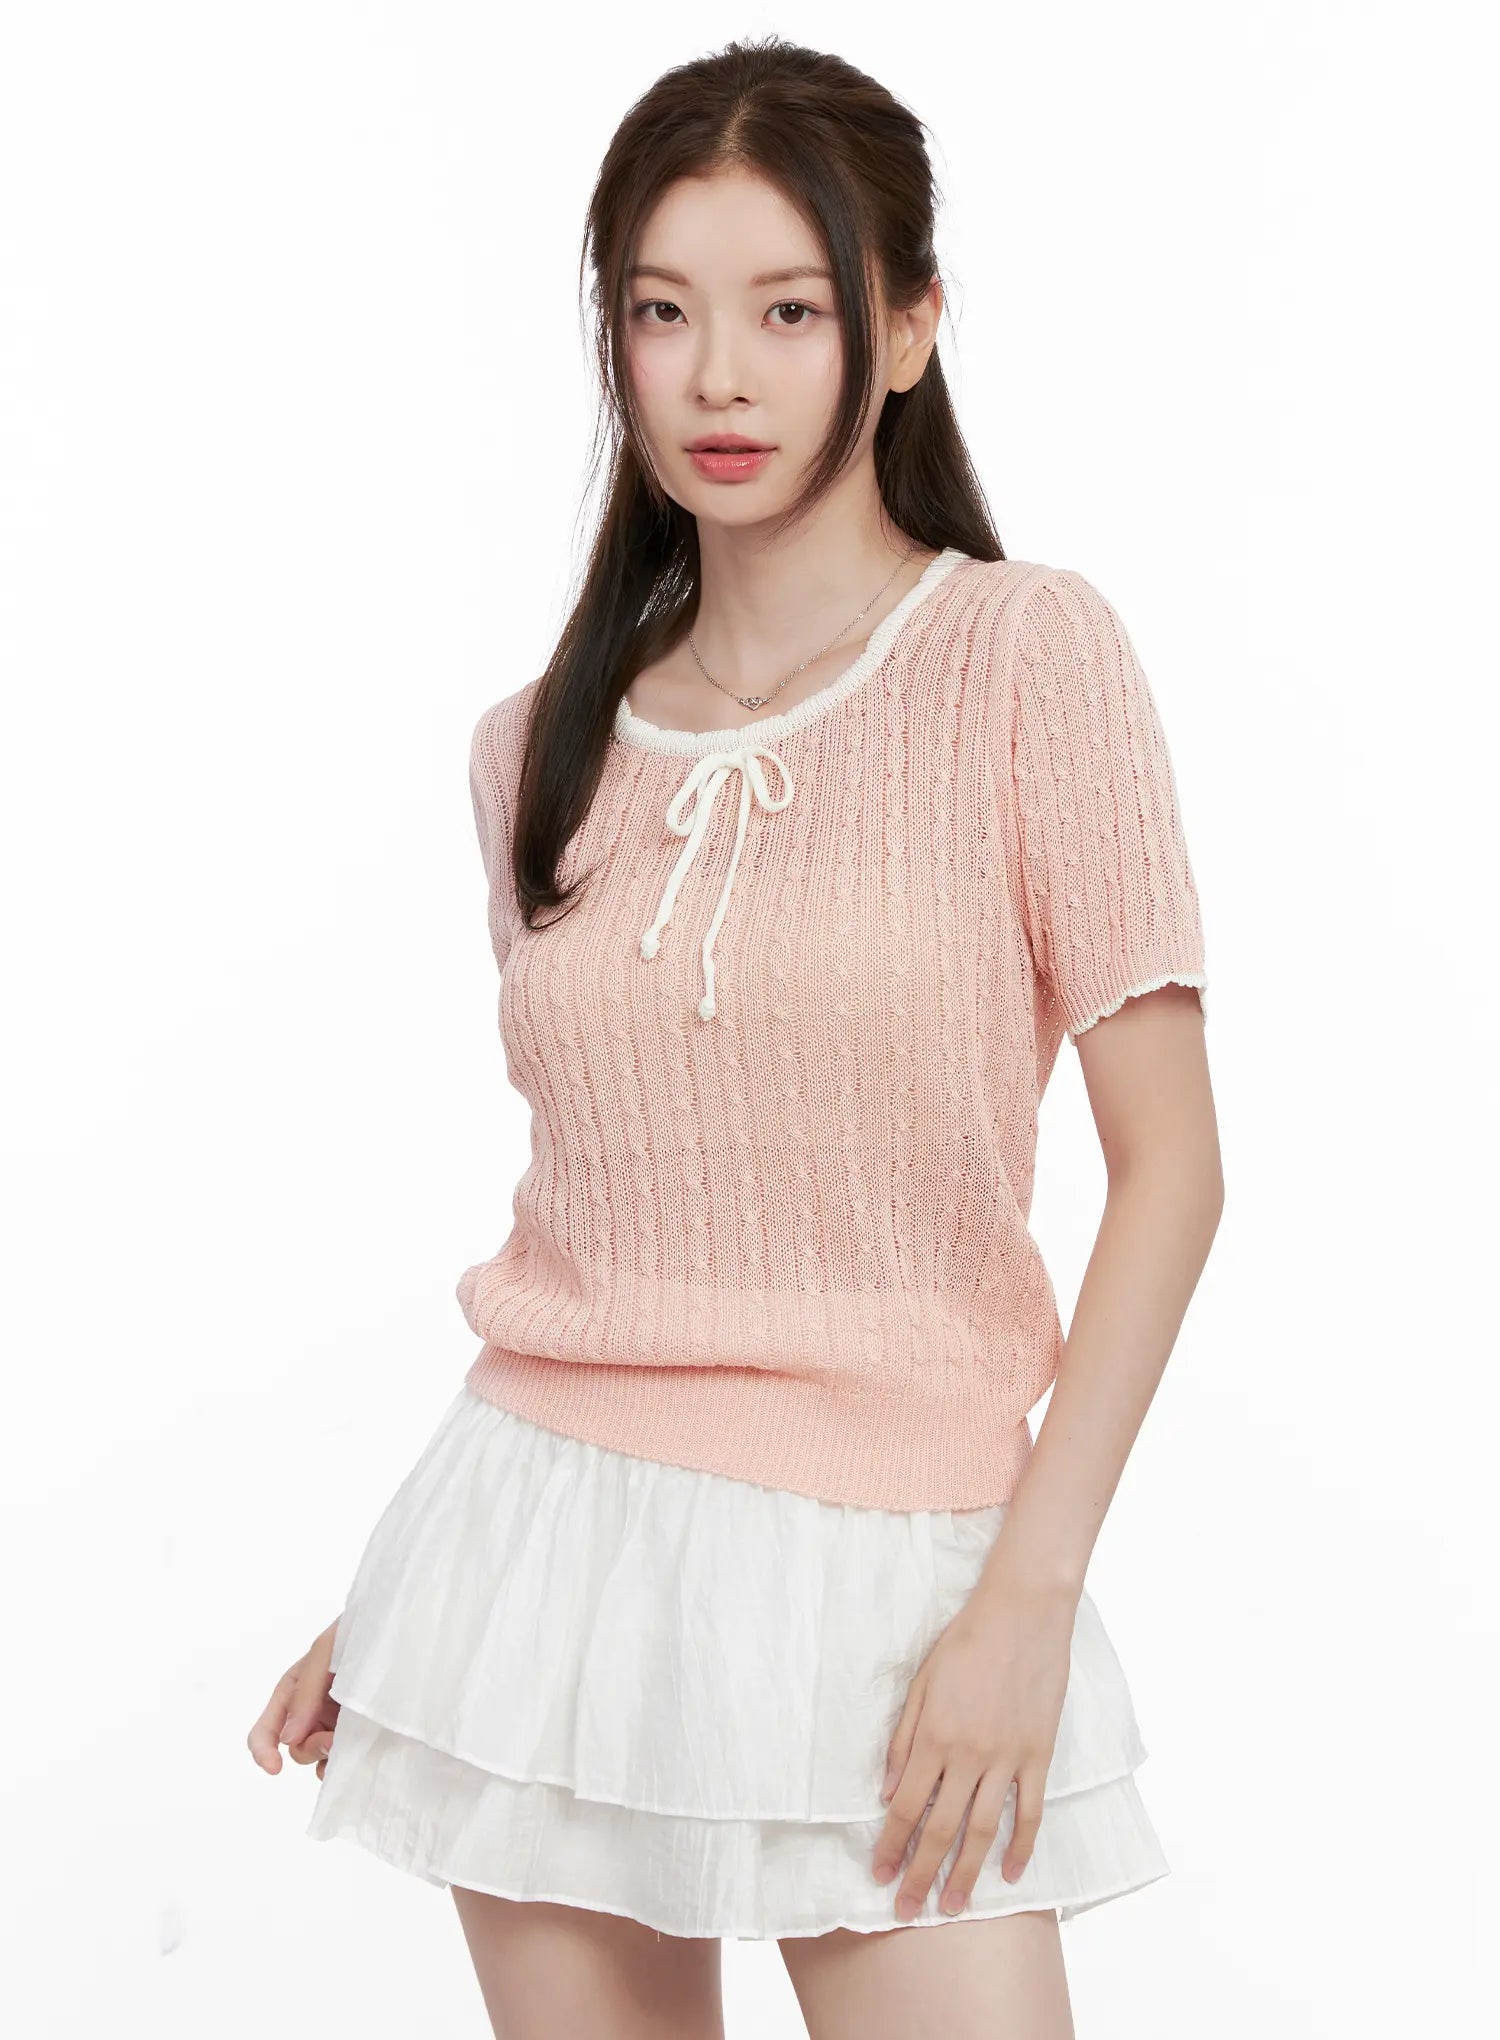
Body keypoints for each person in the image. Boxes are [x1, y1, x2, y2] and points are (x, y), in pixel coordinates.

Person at [247, 33, 1223, 2040]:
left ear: (907, 327)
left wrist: (1028, 1600)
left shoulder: (1025, 660)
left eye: (789, 311)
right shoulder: (533, 751)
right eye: (661, 312)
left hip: (902, 1570)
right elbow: (602, 1222)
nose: (717, 377)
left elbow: (1176, 1176)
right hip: (532, 1565)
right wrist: (438, 1602)